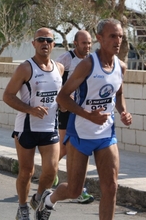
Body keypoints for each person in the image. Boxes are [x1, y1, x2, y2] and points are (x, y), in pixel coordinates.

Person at [36, 19, 133, 220]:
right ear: (100, 38)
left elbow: (118, 94)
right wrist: (89, 116)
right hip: (80, 132)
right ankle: (49, 200)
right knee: (75, 190)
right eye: (112, 36)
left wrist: (123, 111)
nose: (118, 41)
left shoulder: (121, 67)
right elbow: (62, 97)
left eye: (120, 36)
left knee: (111, 187)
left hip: (106, 133)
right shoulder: (87, 65)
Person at [3, 27, 64, 220]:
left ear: (54, 44)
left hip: (49, 127)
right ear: (34, 44)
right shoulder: (26, 68)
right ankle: (22, 207)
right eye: (41, 40)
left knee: (51, 170)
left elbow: (60, 96)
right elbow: (7, 96)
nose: (45, 43)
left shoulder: (59, 68)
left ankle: (37, 199)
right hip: (26, 128)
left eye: (48, 40)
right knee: (26, 172)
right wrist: (30, 109)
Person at [55, 30, 94, 204]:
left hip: (83, 110)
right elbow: (52, 78)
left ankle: (80, 189)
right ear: (76, 43)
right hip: (67, 109)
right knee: (65, 149)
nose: (87, 46)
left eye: (89, 43)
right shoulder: (66, 59)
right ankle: (50, 171)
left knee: (81, 150)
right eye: (84, 43)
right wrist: (63, 98)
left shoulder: (92, 61)